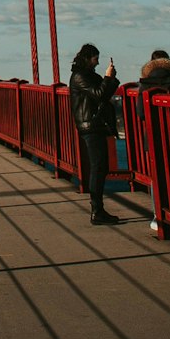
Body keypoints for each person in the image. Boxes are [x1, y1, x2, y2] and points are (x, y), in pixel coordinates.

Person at [69, 43, 120, 225]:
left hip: (94, 125)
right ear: (87, 58)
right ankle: (97, 211)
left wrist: (110, 79)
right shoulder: (80, 76)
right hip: (90, 125)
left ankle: (98, 209)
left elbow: (104, 93)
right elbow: (100, 94)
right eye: (95, 59)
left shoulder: (86, 75)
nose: (97, 62)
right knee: (98, 166)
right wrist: (108, 77)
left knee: (101, 166)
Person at [138, 48, 170, 231]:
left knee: (156, 176)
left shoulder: (146, 82)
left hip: (153, 136)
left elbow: (140, 112)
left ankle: (157, 216)